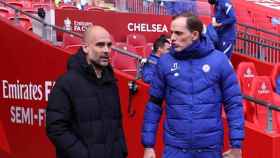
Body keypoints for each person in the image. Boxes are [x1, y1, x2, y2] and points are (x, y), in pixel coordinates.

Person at [142, 12, 244, 158]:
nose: (172, 38)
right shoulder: (164, 62)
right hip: (175, 149)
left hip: (210, 149)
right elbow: (153, 105)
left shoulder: (219, 61)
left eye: (178, 33)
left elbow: (233, 104)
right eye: (172, 33)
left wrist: (236, 145)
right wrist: (148, 145)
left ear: (194, 35)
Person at [46, 25, 128, 158]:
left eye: (109, 45)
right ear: (85, 48)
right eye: (100, 45)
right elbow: (56, 128)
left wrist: (121, 151)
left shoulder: (111, 82)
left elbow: (117, 125)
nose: (106, 50)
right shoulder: (66, 83)